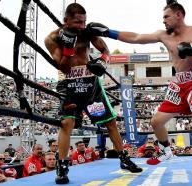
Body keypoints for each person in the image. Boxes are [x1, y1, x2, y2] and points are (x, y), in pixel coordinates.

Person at [86, 1, 192, 178]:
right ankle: (166, 151)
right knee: (156, 122)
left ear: (179, 14)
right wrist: (108, 32)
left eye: (166, 16)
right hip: (179, 83)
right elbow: (137, 37)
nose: (163, 21)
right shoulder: (163, 35)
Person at [44, 3, 142, 184]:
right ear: (65, 21)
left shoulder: (88, 32)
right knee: (67, 123)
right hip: (68, 84)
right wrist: (68, 47)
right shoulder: (52, 38)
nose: (81, 26)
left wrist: (103, 62)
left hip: (91, 85)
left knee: (110, 122)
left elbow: (106, 50)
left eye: (83, 21)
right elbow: (64, 68)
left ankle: (123, 158)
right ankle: (62, 166)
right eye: (77, 22)